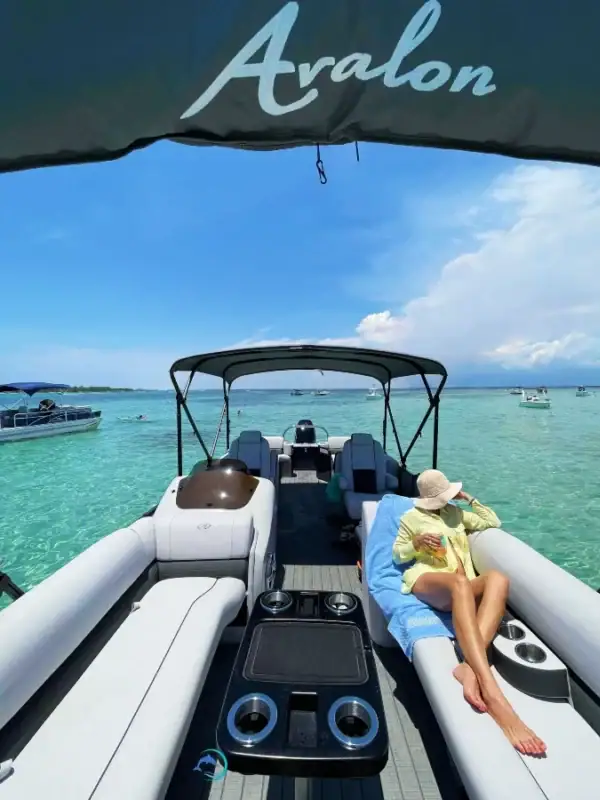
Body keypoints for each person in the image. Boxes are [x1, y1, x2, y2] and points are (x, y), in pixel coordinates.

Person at [392, 469, 546, 757]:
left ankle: (467, 667)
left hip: (461, 586)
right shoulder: (411, 518)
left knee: (497, 578)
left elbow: (492, 521)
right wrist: (416, 544)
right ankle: (493, 692)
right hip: (429, 580)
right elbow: (397, 554)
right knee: (459, 582)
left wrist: (469, 499)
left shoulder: (455, 513)